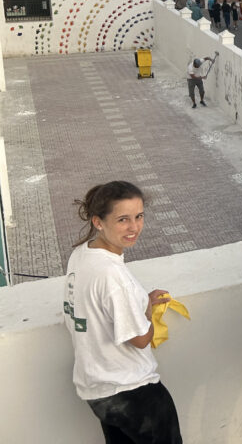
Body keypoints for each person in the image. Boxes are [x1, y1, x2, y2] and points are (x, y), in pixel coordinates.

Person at [64, 181, 183, 444]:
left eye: (139, 216)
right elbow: (140, 339)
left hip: (98, 391)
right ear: (98, 222)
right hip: (133, 392)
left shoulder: (81, 255)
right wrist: (147, 311)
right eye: (123, 220)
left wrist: (139, 301)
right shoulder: (112, 275)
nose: (134, 227)